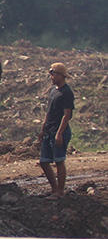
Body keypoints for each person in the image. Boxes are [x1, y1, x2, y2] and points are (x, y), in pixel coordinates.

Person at [39, 63, 75, 197]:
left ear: (60, 75)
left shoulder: (67, 92)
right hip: (49, 130)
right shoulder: (53, 90)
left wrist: (59, 134)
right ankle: (54, 189)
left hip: (59, 131)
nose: (51, 77)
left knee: (59, 161)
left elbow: (67, 115)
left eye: (53, 74)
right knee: (44, 161)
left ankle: (60, 191)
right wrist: (43, 129)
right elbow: (49, 112)